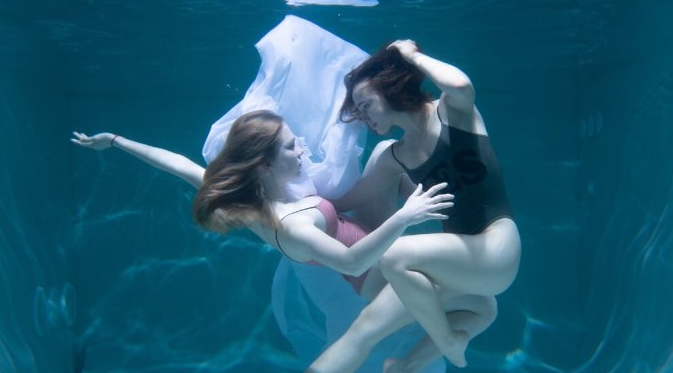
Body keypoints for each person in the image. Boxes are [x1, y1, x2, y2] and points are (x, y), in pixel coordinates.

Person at [244, 40, 520, 373]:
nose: (361, 115)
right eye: (355, 109)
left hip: (498, 249)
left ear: (391, 84)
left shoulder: (451, 113)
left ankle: (446, 343)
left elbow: (460, 83)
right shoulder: (393, 156)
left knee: (394, 257)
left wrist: (409, 55)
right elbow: (341, 203)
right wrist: (275, 202)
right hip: (465, 268)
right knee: (378, 326)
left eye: (364, 103)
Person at [70, 109, 453, 303]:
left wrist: (117, 140)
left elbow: (179, 164)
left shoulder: (252, 198)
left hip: (368, 237)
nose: (302, 148)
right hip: (374, 275)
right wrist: (405, 216)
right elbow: (352, 262)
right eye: (291, 146)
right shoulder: (290, 225)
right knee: (473, 301)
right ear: (266, 164)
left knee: (387, 151)